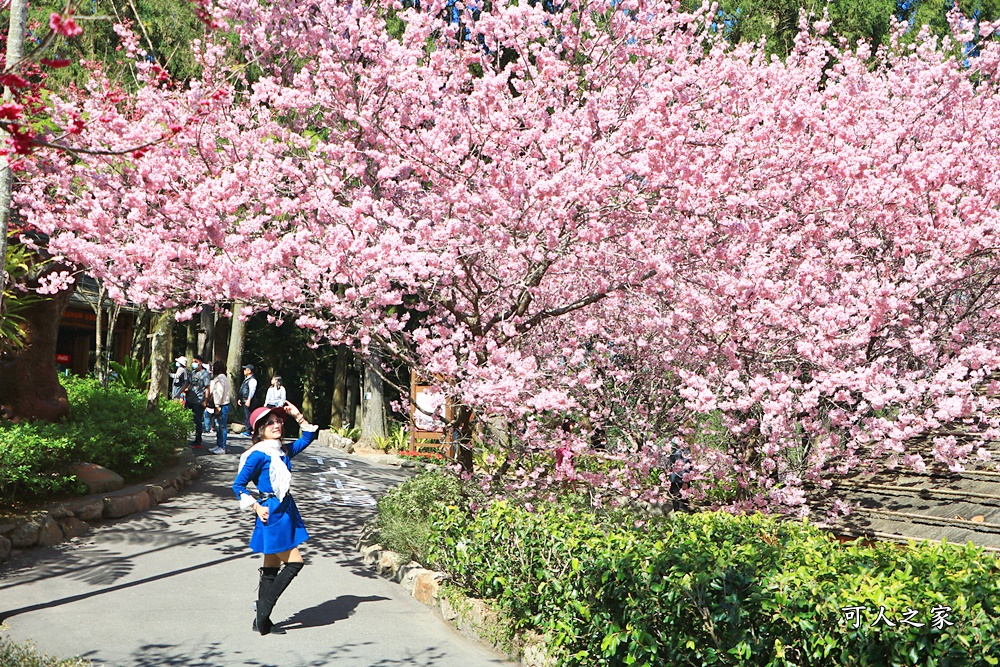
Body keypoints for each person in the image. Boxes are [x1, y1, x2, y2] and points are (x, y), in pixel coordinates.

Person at [232, 401, 318, 635]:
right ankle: (263, 607)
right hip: (271, 512)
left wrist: (298, 416)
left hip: (285, 508)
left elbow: (308, 437)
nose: (276, 424)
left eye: (278, 420)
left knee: (271, 566)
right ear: (259, 429)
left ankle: (262, 621)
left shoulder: (282, 451)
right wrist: (256, 507)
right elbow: (238, 485)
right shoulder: (258, 455)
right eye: (269, 422)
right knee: (295, 562)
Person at [182, 355, 212, 449]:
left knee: (198, 421)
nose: (193, 363)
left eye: (195, 361)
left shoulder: (205, 374)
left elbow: (207, 388)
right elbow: (187, 383)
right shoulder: (192, 373)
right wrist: (180, 393)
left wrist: (205, 400)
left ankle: (198, 441)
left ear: (200, 363)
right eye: (193, 361)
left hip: (199, 400)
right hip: (190, 399)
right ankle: (184, 438)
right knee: (186, 418)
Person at [208, 361, 232, 455]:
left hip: (222, 404)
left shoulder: (221, 378)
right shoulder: (221, 377)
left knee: (222, 426)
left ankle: (222, 447)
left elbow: (219, 392)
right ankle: (218, 445)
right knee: (218, 426)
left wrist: (217, 405)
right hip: (221, 404)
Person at [237, 364, 258, 434]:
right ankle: (248, 429)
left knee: (248, 415)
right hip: (244, 399)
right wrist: (240, 398)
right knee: (246, 415)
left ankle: (248, 430)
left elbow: (252, 391)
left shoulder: (252, 380)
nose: (244, 371)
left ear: (249, 371)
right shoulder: (246, 380)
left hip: (248, 400)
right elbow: (243, 390)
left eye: (245, 369)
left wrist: (249, 399)